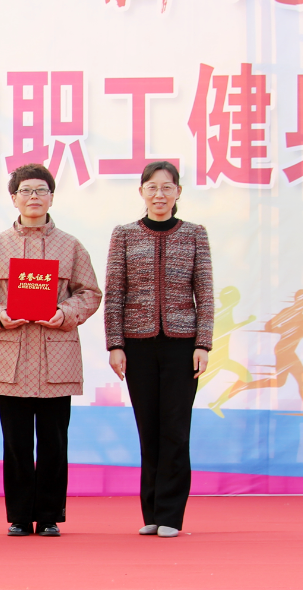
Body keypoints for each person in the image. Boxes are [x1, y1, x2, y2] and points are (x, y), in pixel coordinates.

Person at [0, 163, 100, 537]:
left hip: (56, 356)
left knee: (55, 442)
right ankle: (20, 516)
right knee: (17, 442)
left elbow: (90, 293)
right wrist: (0, 314)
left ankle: (50, 514)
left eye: (41, 190)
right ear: (14, 198)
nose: (33, 197)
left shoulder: (71, 246)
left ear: (52, 197)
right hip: (11, 355)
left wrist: (65, 313)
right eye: (25, 191)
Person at [105, 160, 214, 539]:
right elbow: (115, 293)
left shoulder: (195, 234)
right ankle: (151, 511)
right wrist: (115, 344)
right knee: (148, 429)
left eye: (167, 187)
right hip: (137, 345)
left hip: (183, 346)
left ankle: (171, 514)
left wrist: (203, 343)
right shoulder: (124, 235)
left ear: (178, 192)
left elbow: (205, 293)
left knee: (175, 430)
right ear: (141, 192)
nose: (159, 194)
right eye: (152, 187)